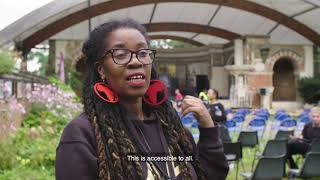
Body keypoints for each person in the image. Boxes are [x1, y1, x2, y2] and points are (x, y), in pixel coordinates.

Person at [55, 19, 228, 180]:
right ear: (101, 69)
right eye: (121, 54)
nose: (136, 61)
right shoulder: (82, 134)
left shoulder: (173, 129)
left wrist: (207, 127)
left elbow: (210, 175)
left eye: (143, 52)